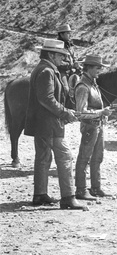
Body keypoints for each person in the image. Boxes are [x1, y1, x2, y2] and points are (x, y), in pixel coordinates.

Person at [24, 39, 86, 210]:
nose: (63, 59)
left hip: (42, 123)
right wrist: (65, 112)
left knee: (43, 158)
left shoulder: (44, 69)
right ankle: (68, 197)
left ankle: (40, 194)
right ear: (51, 55)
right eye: (60, 56)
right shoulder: (46, 71)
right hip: (49, 123)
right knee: (65, 156)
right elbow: (47, 98)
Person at [74, 55, 112, 200]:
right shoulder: (83, 87)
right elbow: (80, 113)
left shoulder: (93, 85)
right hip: (90, 127)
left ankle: (96, 188)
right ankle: (81, 190)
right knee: (84, 158)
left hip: (98, 126)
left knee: (97, 157)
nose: (100, 70)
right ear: (88, 68)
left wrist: (104, 113)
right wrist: (101, 112)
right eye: (97, 68)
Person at [57, 24, 80, 96]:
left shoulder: (70, 45)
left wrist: (76, 62)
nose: (70, 35)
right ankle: (63, 105)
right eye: (67, 33)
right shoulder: (57, 46)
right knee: (66, 89)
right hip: (62, 71)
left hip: (72, 70)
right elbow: (59, 63)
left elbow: (74, 56)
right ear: (61, 34)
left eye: (70, 33)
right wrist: (71, 65)